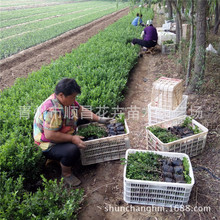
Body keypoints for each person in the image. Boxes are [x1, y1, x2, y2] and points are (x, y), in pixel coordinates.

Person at [33, 78, 111, 186]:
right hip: (48, 143)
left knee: (84, 118)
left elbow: (80, 110)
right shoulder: (53, 111)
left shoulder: (65, 100)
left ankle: (66, 150)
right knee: (71, 150)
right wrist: (72, 138)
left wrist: (99, 119)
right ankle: (66, 174)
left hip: (60, 129)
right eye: (72, 97)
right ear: (61, 95)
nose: (74, 99)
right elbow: (50, 135)